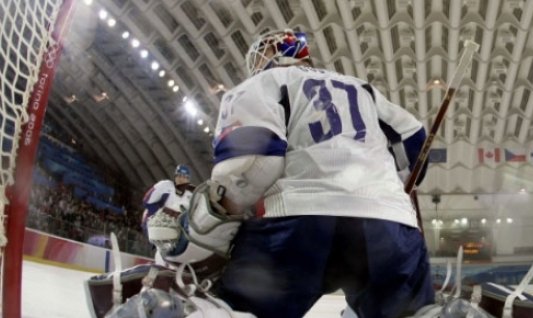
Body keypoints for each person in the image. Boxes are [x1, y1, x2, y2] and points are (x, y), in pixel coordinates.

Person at [184, 29, 434, 318]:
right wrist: (385, 191)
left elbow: (252, 165)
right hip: (389, 227)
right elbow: (415, 144)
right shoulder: (362, 88)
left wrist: (219, 214)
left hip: (300, 223)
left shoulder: (266, 81)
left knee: (236, 310)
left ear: (273, 55)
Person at [141, 164, 195, 264]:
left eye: (184, 177)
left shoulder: (190, 196)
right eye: (179, 176)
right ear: (175, 176)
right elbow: (146, 201)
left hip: (174, 226)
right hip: (154, 221)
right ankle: (159, 265)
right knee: (163, 245)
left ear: (188, 179)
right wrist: (162, 212)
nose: (181, 179)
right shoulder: (164, 186)